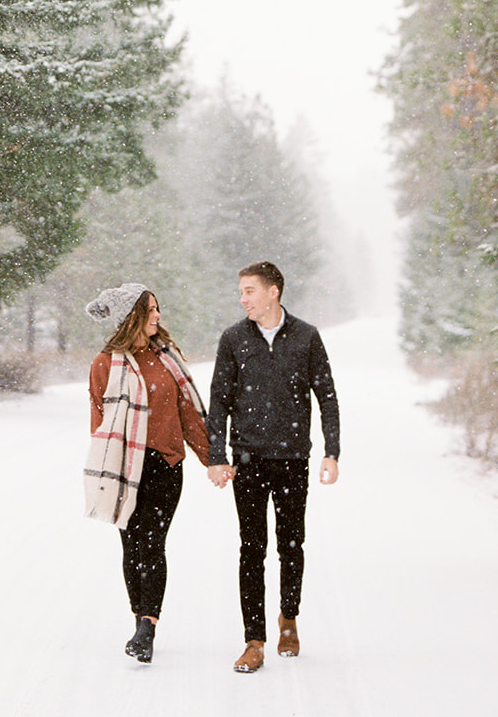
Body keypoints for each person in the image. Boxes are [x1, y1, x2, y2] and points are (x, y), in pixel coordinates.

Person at [206, 260, 340, 674]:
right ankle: (254, 640)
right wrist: (217, 456)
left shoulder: (306, 337)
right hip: (247, 459)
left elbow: (327, 397)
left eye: (249, 290)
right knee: (251, 549)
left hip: (292, 459)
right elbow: (219, 402)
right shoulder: (233, 339)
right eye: (241, 291)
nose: (243, 298)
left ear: (273, 292)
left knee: (291, 545)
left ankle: (288, 618)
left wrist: (331, 452)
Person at [84, 282, 210, 664]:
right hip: (125, 467)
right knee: (131, 545)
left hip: (166, 465)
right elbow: (99, 425)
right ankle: (140, 619)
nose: (158, 315)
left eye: (158, 308)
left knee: (152, 543)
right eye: (150, 309)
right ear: (131, 317)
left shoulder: (168, 358)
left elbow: (189, 414)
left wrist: (215, 459)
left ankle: (147, 627)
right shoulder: (105, 364)